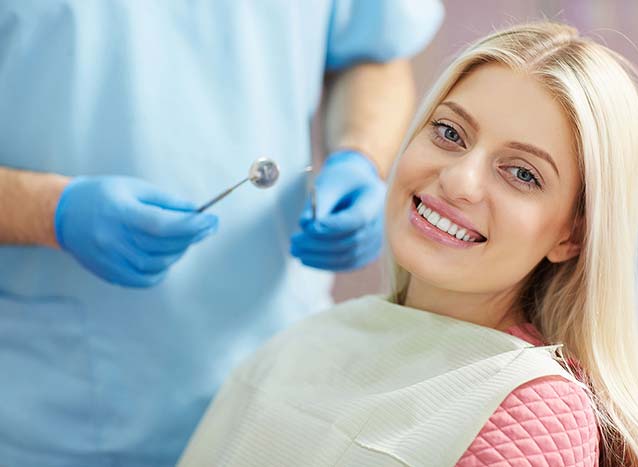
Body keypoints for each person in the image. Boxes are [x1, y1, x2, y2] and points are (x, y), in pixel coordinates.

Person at [177, 22, 638, 467]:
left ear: (572, 234)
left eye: (522, 173)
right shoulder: (313, 336)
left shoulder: (533, 411)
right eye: (448, 132)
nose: (458, 180)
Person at [0, 2, 444, 466]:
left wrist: (362, 156)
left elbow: (372, 54)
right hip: (51, 407)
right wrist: (49, 211)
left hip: (285, 375)